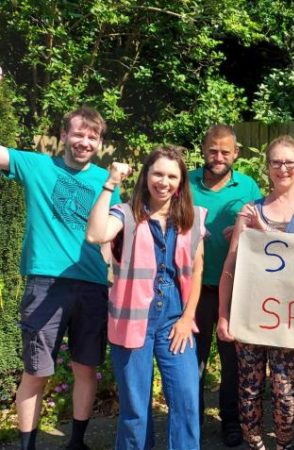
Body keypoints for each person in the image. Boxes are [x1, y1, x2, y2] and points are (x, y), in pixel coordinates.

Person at [0, 107, 119, 450]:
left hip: (94, 286)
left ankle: (77, 443)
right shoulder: (37, 166)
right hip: (46, 284)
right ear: (64, 136)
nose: (84, 142)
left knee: (86, 367)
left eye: (92, 137)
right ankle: (27, 446)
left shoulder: (105, 182)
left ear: (99, 143)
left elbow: (110, 236)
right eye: (78, 134)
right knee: (36, 371)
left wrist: (114, 281)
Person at [86, 145, 206, 449]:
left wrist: (188, 317)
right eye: (157, 173)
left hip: (175, 321)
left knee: (187, 401)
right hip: (131, 320)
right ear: (146, 175)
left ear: (180, 182)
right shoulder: (126, 214)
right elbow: (95, 235)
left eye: (171, 176)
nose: (163, 181)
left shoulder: (192, 218)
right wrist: (109, 184)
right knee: (136, 410)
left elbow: (198, 269)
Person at [217, 135, 294, 450]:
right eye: (276, 162)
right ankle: (255, 444)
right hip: (250, 314)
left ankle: (283, 445)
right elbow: (231, 265)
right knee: (249, 390)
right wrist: (224, 314)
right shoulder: (250, 209)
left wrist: (263, 232)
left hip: (288, 318)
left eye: (289, 162)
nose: (282, 168)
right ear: (268, 166)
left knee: (285, 391)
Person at [188, 124, 261, 447]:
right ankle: (193, 419)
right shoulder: (185, 183)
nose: (218, 157)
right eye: (213, 150)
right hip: (194, 287)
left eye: (225, 152)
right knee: (193, 361)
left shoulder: (247, 186)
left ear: (236, 154)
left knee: (232, 363)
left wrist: (245, 230)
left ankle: (230, 421)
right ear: (203, 149)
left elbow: (261, 230)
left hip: (234, 287)